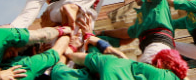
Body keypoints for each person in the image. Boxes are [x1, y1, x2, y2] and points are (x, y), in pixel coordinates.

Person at [98, 0, 175, 64]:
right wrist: (103, 33)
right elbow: (127, 33)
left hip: (157, 45)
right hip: (152, 46)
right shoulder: (142, 16)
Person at [57, 26, 187, 80]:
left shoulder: (163, 74)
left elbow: (126, 63)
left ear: (162, 63)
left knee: (58, 71)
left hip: (105, 65)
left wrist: (70, 51)